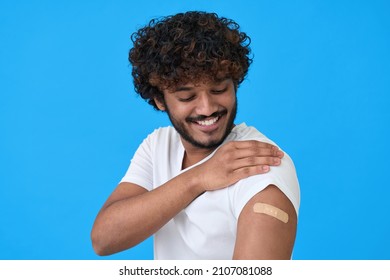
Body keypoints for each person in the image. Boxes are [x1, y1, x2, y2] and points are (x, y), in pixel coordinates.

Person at [91, 11, 300, 260]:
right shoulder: (159, 145)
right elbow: (104, 239)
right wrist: (198, 177)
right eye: (187, 97)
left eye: (219, 89)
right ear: (159, 100)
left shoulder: (260, 165)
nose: (207, 108)